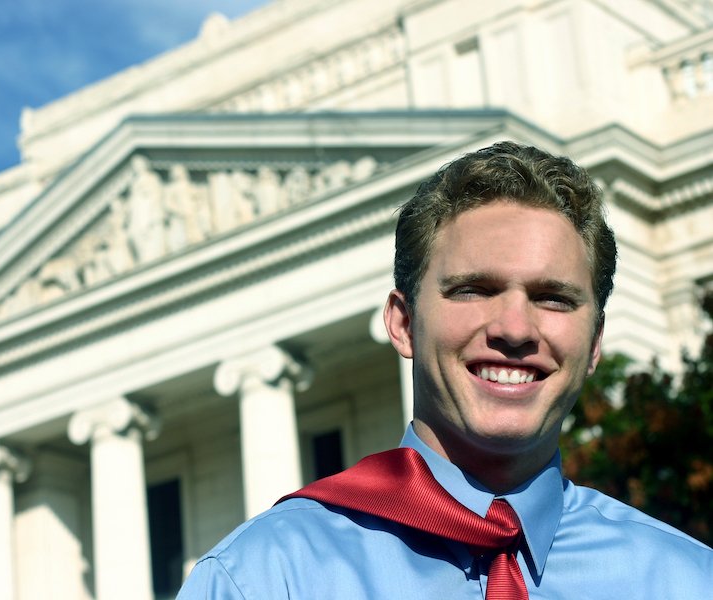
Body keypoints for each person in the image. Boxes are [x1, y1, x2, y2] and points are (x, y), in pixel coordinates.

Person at [176, 142, 712, 599]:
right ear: (404, 323)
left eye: (553, 298)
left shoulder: (685, 580)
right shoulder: (265, 580)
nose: (515, 328)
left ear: (594, 342)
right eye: (474, 290)